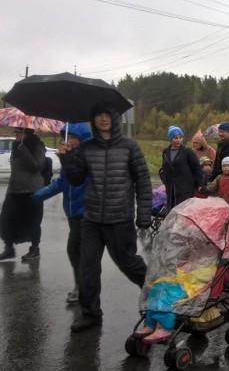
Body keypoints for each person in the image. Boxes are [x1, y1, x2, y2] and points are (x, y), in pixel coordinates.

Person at [57, 103, 152, 331]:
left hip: (119, 218)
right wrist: (67, 159)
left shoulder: (129, 147)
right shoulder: (87, 148)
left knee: (129, 265)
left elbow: (143, 181)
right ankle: (91, 314)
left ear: (115, 118)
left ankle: (159, 296)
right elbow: (77, 179)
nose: (103, 118)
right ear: (93, 120)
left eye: (107, 114)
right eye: (98, 115)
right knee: (87, 268)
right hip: (91, 219)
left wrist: (144, 216)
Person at [31, 123, 91, 303]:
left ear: (81, 139)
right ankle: (82, 287)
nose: (68, 141)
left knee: (76, 251)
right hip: (72, 213)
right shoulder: (68, 157)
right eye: (66, 137)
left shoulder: (87, 157)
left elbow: (83, 180)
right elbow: (60, 183)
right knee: (77, 252)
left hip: (85, 213)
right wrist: (36, 196)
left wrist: (69, 159)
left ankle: (83, 289)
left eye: (72, 137)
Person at [0, 127, 47, 261]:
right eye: (15, 132)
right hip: (15, 189)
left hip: (32, 189)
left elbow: (37, 166)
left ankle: (34, 248)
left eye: (19, 133)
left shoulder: (37, 146)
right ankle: (9, 248)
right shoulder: (16, 145)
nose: (16, 135)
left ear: (27, 133)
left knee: (33, 220)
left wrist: (25, 152)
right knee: (6, 219)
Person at [160, 126, 202, 212]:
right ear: (170, 139)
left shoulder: (187, 151)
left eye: (180, 137)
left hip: (185, 188)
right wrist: (164, 181)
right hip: (171, 187)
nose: (178, 140)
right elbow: (165, 168)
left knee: (183, 211)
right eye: (175, 138)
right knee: (171, 210)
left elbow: (197, 168)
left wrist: (200, 184)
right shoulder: (166, 152)